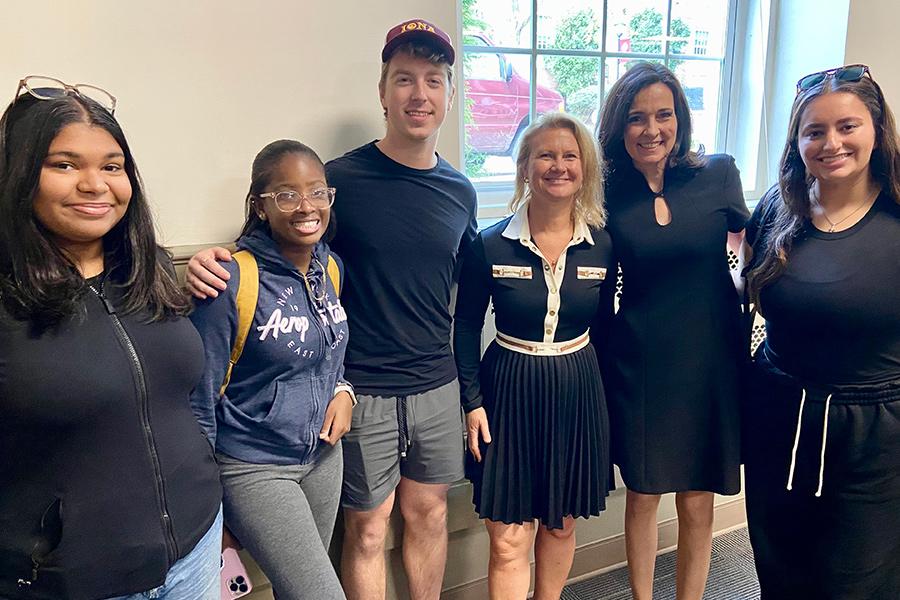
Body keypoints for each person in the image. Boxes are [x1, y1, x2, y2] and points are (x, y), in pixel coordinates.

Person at [185, 19, 477, 600]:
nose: (419, 94)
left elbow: (462, 300)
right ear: (382, 91)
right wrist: (207, 261)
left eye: (434, 81)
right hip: (358, 389)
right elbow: (282, 254)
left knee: (430, 517)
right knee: (367, 531)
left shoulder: (459, 190)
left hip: (436, 383)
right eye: (404, 79)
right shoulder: (336, 180)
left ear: (448, 93)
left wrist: (470, 392)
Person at [0, 78, 222, 599]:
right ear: (18, 176)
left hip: (194, 551)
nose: (95, 184)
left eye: (111, 165)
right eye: (64, 165)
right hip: (72, 582)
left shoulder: (151, 273)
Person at [742, 64, 900, 599]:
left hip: (874, 435)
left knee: (853, 581)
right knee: (781, 569)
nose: (831, 143)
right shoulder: (777, 208)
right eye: (815, 131)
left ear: (877, 128)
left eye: (847, 126)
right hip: (779, 417)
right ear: (797, 140)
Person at [596, 62, 747, 600]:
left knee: (698, 497)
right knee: (642, 493)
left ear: (680, 118)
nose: (651, 129)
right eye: (637, 118)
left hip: (710, 357)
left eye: (663, 114)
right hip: (638, 360)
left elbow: (756, 247)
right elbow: (594, 278)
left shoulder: (719, 173)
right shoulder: (605, 191)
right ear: (619, 127)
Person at [454, 112, 615, 600]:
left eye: (570, 156)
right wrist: (472, 402)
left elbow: (606, 330)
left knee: (562, 526)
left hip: (577, 388)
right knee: (508, 538)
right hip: (507, 390)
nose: (558, 166)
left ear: (584, 168)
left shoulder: (603, 245)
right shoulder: (487, 244)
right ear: (525, 166)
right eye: (545, 154)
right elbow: (463, 330)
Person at [189, 140, 352, 599]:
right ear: (260, 206)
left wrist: (344, 391)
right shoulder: (229, 280)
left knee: (297, 592)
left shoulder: (331, 269)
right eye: (287, 194)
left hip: (323, 457)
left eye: (318, 192)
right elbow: (197, 401)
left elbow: (330, 357)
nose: (306, 206)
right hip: (254, 467)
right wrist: (205, 511)